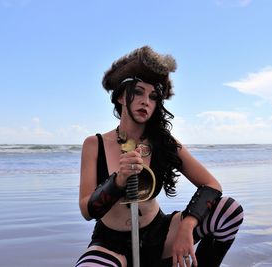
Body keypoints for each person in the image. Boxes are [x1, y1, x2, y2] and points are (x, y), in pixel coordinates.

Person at [75, 46, 244, 267]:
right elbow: (88, 210)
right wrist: (118, 181)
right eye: (138, 92)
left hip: (160, 235)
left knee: (229, 211)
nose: (146, 101)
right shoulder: (94, 144)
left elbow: (212, 185)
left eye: (153, 97)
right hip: (111, 242)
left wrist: (187, 225)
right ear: (119, 97)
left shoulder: (164, 143)